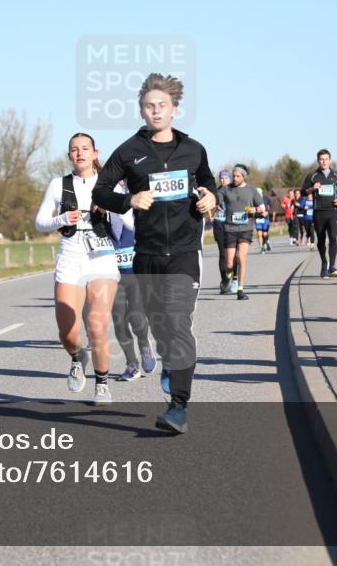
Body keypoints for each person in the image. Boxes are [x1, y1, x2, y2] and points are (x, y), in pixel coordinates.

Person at [93, 72, 217, 434]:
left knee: (177, 323)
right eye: (149, 106)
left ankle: (178, 406)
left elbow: (207, 183)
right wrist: (127, 199)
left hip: (183, 250)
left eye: (162, 105)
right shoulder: (129, 152)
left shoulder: (193, 149)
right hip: (146, 253)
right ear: (141, 110)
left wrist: (212, 196)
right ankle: (168, 363)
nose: (156, 111)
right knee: (161, 326)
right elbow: (100, 192)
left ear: (175, 110)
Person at [35, 133, 121, 405]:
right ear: (69, 155)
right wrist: (61, 217)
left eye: (85, 148)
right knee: (68, 331)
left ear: (95, 153)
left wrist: (110, 210)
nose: (80, 153)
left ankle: (103, 382)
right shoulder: (58, 185)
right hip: (71, 255)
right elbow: (40, 223)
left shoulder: (111, 185)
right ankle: (77, 356)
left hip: (102, 254)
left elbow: (130, 222)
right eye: (74, 149)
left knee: (97, 324)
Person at [110, 179, 156, 380]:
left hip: (135, 274)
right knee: (119, 321)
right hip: (112, 278)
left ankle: (145, 346)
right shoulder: (103, 218)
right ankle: (131, 364)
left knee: (136, 317)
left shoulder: (137, 207)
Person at [219, 164, 265, 300]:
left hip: (246, 228)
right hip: (230, 228)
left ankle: (240, 289)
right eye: (233, 175)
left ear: (244, 176)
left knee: (241, 257)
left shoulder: (252, 190)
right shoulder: (226, 189)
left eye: (237, 176)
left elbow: (262, 207)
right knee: (229, 263)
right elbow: (217, 198)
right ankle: (228, 276)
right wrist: (214, 202)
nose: (234, 178)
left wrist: (254, 210)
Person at [302, 149, 337, 277]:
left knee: (333, 238)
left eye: (326, 159)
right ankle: (324, 263)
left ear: (330, 160)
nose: (324, 161)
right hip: (318, 212)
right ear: (318, 161)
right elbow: (303, 192)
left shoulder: (336, 175)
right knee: (321, 240)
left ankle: (332, 266)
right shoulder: (312, 176)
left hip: (333, 211)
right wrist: (312, 188)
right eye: (321, 159)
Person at [213, 170, 232, 293]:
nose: (223, 180)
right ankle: (224, 281)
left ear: (230, 179)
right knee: (223, 254)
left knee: (233, 255)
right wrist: (213, 206)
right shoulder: (215, 192)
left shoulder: (234, 191)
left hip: (232, 226)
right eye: (221, 178)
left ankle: (234, 279)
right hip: (219, 224)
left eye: (225, 178)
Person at [254, 187, 271, 254]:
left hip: (265, 219)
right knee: (259, 234)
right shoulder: (253, 200)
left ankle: (266, 242)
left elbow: (270, 208)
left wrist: (267, 212)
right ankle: (262, 247)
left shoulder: (266, 199)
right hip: (258, 219)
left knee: (265, 234)